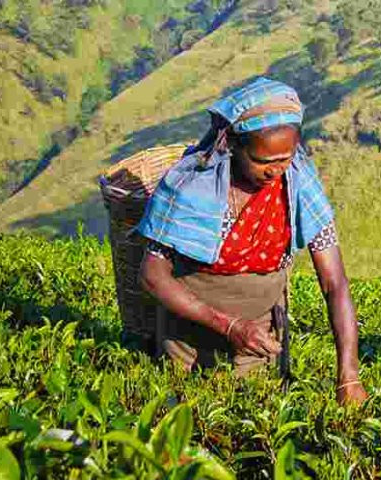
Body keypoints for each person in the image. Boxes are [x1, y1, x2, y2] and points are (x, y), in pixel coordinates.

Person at [135, 78, 368, 406]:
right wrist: (229, 326)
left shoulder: (299, 186)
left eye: (284, 159)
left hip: (258, 340)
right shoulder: (192, 187)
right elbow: (152, 274)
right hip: (187, 340)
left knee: (255, 425)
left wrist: (348, 375)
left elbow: (335, 283)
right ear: (232, 144)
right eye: (262, 161)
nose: (274, 171)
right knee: (187, 426)